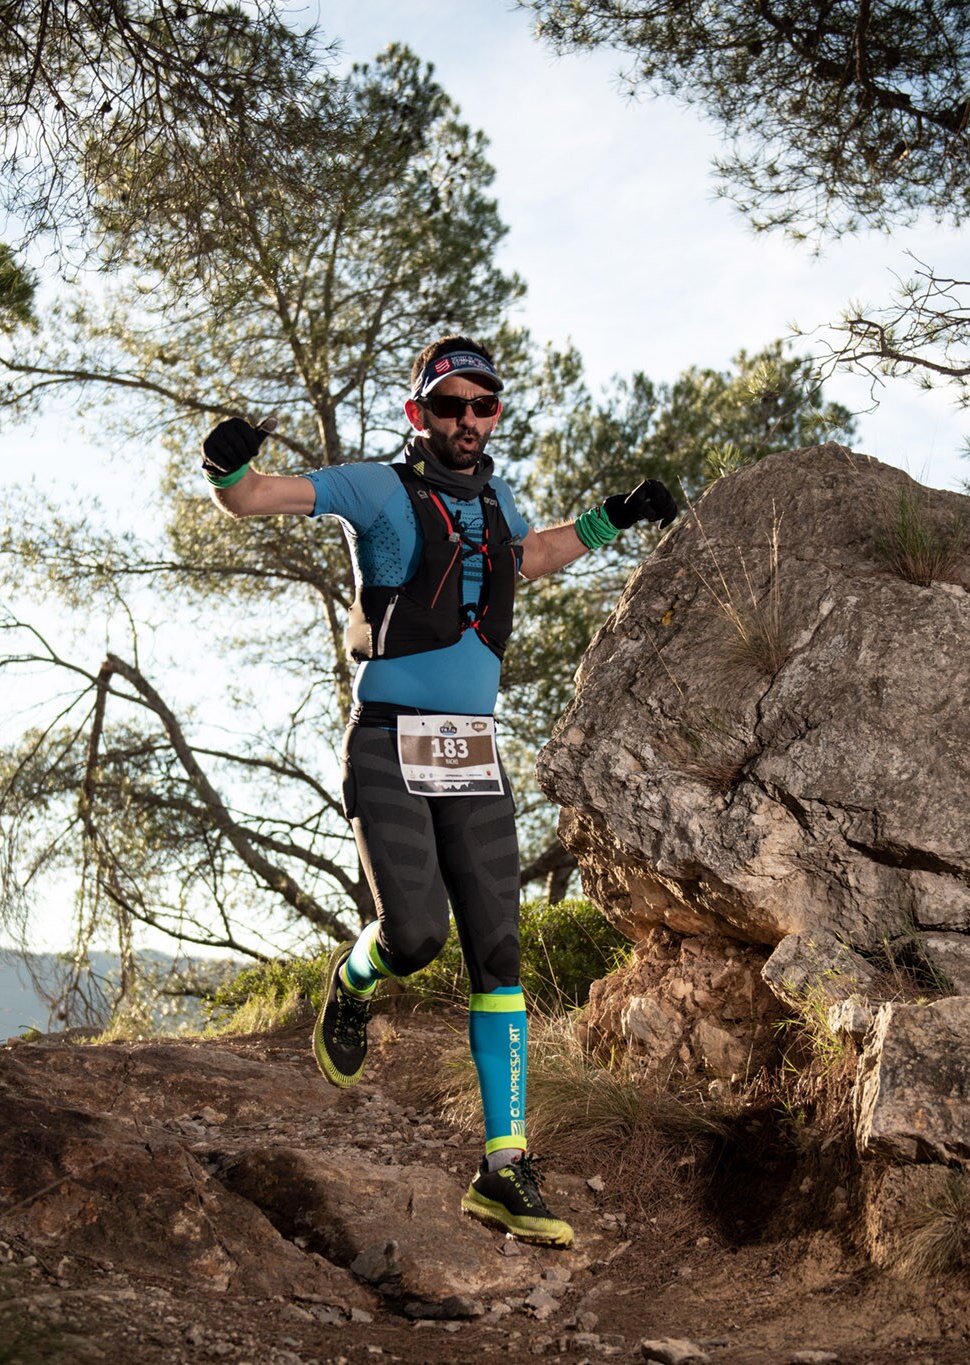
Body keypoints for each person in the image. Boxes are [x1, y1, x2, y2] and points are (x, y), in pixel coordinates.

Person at [201, 335, 676, 1247]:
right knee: (416, 935)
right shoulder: (374, 488)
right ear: (419, 412)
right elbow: (254, 499)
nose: (467, 419)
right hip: (386, 739)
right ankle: (353, 979)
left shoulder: (498, 495)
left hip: (471, 750)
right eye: (450, 404)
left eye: (483, 405)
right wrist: (229, 463)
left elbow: (527, 558)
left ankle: (504, 1167)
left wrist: (614, 517)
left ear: (495, 414)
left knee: (501, 949)